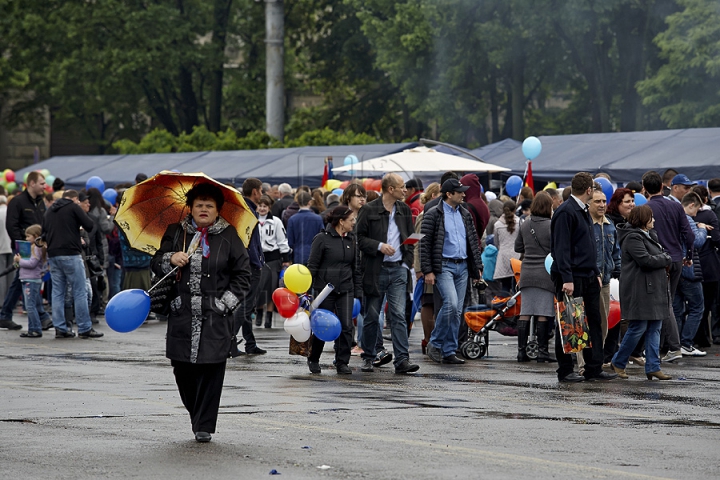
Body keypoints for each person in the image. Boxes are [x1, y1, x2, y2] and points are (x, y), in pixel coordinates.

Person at [151, 182, 251, 442]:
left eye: (210, 205)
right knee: (181, 370)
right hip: (181, 313)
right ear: (191, 208)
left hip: (215, 315)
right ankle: (197, 413)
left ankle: (204, 425)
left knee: (212, 369)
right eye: (199, 205)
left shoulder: (230, 236)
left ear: (218, 210)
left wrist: (224, 304)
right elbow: (156, 261)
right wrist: (170, 258)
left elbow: (243, 275)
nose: (204, 209)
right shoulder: (175, 232)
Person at [550, 172, 616, 382]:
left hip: (588, 275)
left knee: (593, 322)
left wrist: (595, 272)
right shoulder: (566, 212)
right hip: (571, 277)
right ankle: (565, 369)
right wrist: (567, 278)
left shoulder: (583, 211)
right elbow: (561, 249)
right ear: (589, 190)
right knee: (570, 322)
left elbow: (588, 245)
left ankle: (593, 367)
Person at [356, 173, 419, 374]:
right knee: (372, 316)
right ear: (390, 189)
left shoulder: (404, 210)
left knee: (399, 315)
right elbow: (359, 238)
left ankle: (402, 360)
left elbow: (411, 237)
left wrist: (406, 262)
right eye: (401, 187)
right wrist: (379, 246)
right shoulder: (369, 209)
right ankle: (368, 356)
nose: (405, 190)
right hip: (376, 270)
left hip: (398, 270)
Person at [421, 179, 483, 365]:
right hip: (444, 266)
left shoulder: (465, 214)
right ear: (449, 194)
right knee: (451, 304)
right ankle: (436, 342)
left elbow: (473, 242)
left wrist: (477, 267)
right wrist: (428, 270)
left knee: (457, 311)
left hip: (462, 266)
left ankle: (449, 350)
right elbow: (425, 244)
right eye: (460, 192)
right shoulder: (433, 214)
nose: (464, 194)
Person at [611, 206, 673, 380]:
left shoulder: (649, 235)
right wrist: (665, 258)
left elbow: (655, 256)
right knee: (638, 327)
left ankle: (653, 366)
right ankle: (619, 361)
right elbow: (645, 260)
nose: (654, 220)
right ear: (643, 219)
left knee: (655, 327)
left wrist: (662, 258)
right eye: (651, 217)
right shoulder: (632, 237)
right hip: (640, 290)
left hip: (653, 289)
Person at [643, 170, 694, 363]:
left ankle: (673, 346)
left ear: (645, 188)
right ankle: (664, 345)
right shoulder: (676, 207)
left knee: (664, 304)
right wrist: (688, 255)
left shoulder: (647, 208)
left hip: (659, 261)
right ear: (664, 186)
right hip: (676, 258)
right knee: (667, 302)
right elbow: (688, 234)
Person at [306, 206, 363, 374]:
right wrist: (308, 291)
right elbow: (312, 266)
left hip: (346, 289)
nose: (354, 222)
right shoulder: (321, 239)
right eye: (351, 219)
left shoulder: (352, 239)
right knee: (323, 326)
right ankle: (314, 358)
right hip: (325, 291)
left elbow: (356, 268)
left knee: (346, 326)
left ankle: (342, 362)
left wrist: (357, 291)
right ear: (341, 221)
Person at [43, 190, 103, 339]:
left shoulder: (50, 210)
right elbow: (89, 225)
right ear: (75, 199)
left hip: (54, 254)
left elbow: (43, 233)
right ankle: (84, 328)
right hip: (71, 253)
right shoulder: (73, 207)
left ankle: (60, 328)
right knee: (80, 291)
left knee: (57, 292)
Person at [0, 172, 47, 330]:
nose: (44, 186)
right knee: (26, 278)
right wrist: (22, 245)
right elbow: (11, 225)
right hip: (24, 247)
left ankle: (5, 314)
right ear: (32, 183)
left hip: (38, 246)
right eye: (41, 183)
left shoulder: (40, 202)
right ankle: (42, 316)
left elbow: (44, 224)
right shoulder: (18, 202)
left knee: (24, 280)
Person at [514, 191, 556, 363]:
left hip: (526, 273)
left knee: (525, 312)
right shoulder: (551, 225)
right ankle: (542, 351)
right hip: (544, 273)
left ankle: (521, 352)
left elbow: (518, 247)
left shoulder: (525, 223)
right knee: (543, 313)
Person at [672, 192, 709, 357]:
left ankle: (676, 343)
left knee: (677, 309)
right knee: (697, 307)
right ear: (691, 204)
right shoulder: (688, 219)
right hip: (689, 269)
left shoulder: (673, 217)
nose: (697, 213)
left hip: (675, 269)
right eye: (697, 209)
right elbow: (696, 242)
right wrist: (701, 229)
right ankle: (686, 343)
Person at [235, 178, 267, 355]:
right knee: (246, 305)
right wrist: (257, 262)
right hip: (250, 265)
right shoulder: (249, 212)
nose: (261, 194)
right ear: (254, 192)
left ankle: (250, 342)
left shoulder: (245, 209)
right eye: (261, 190)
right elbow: (249, 242)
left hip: (245, 263)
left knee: (246, 304)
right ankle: (229, 341)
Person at [691, 185, 720, 347]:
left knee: (695, 303)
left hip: (691, 263)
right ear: (705, 198)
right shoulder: (710, 215)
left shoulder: (685, 215)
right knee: (707, 303)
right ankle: (703, 338)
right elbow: (716, 238)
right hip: (709, 264)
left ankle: (698, 336)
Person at [413, 183, 441, 354]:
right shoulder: (423, 216)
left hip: (438, 266)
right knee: (428, 302)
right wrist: (419, 268)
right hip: (427, 265)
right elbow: (416, 243)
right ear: (433, 196)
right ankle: (427, 338)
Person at [255, 195, 290, 328]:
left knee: (271, 288)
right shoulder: (252, 220)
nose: (262, 208)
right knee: (259, 287)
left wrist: (286, 259)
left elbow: (282, 240)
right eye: (260, 206)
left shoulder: (276, 221)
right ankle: (259, 312)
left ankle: (268, 316)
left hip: (273, 258)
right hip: (258, 258)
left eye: (265, 206)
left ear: (269, 207)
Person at [16, 224, 50, 338]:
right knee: (30, 305)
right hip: (27, 279)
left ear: (35, 236)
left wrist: (20, 261)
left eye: (28, 236)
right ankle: (32, 329)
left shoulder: (37, 248)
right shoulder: (33, 248)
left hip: (32, 280)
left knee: (31, 306)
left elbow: (32, 263)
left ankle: (36, 328)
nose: (26, 239)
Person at [286, 191, 323, 265]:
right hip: (315, 255)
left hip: (298, 255)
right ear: (310, 202)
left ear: (298, 202)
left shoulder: (292, 219)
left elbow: (290, 241)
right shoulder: (318, 218)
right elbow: (322, 238)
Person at [493, 201, 521, 292]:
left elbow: (496, 243)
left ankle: (505, 306)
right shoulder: (520, 222)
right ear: (515, 210)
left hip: (503, 258)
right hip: (517, 256)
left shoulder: (497, 225)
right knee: (517, 288)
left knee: (505, 287)